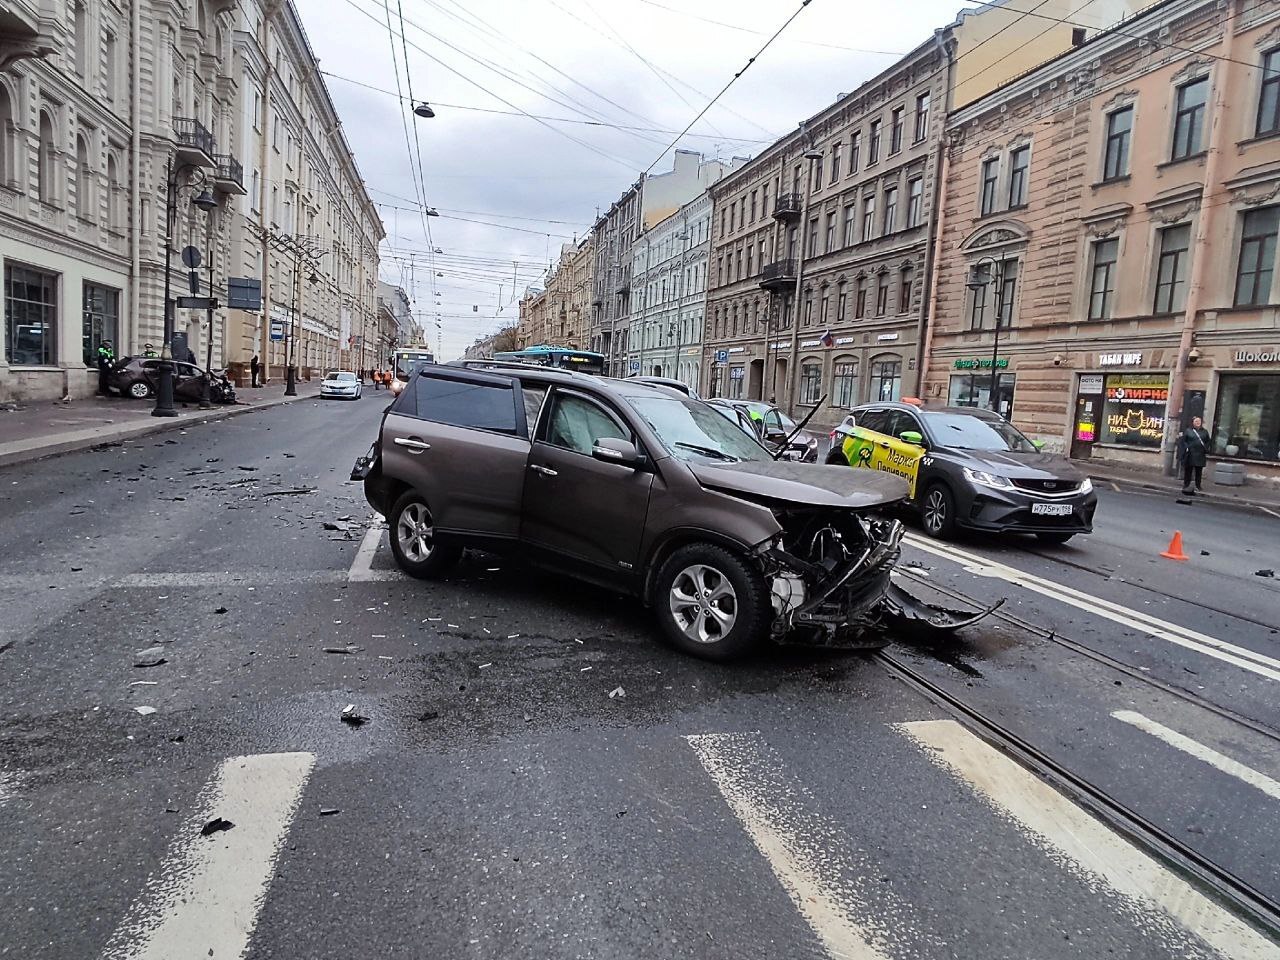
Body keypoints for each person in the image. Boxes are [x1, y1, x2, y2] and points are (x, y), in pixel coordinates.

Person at [1177, 415, 1211, 494]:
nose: (1198, 423)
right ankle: (1186, 484)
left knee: (1199, 471)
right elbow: (1184, 441)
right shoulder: (1188, 431)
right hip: (1190, 454)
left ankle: (1198, 485)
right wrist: (1187, 448)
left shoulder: (1204, 431)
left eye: (1199, 421)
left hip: (1200, 454)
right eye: (1196, 421)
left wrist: (1205, 448)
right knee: (1188, 470)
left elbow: (1208, 441)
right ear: (1193, 423)